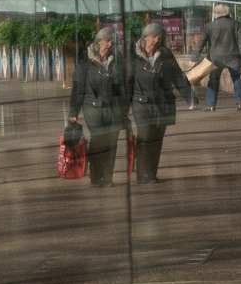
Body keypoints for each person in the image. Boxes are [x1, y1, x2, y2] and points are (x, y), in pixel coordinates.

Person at [128, 22, 191, 184]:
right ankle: (142, 175)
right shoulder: (133, 56)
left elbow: (178, 76)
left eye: (159, 37)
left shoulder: (165, 55)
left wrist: (190, 97)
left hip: (162, 103)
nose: (155, 40)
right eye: (153, 36)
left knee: (156, 139)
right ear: (145, 37)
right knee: (145, 136)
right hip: (140, 103)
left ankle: (151, 174)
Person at [68, 28, 127, 187]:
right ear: (99, 42)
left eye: (112, 41)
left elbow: (122, 87)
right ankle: (95, 177)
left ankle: (108, 178)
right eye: (107, 40)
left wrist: (125, 110)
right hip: (92, 108)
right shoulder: (85, 61)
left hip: (113, 108)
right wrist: (73, 112)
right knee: (99, 140)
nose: (110, 44)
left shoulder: (117, 59)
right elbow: (78, 88)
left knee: (112, 143)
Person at [194, 3, 241, 111]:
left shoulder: (209, 26)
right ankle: (240, 102)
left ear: (216, 14)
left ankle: (211, 105)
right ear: (228, 12)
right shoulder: (236, 24)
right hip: (233, 56)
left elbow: (201, 43)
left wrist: (194, 57)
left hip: (215, 58)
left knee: (213, 80)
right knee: (236, 79)